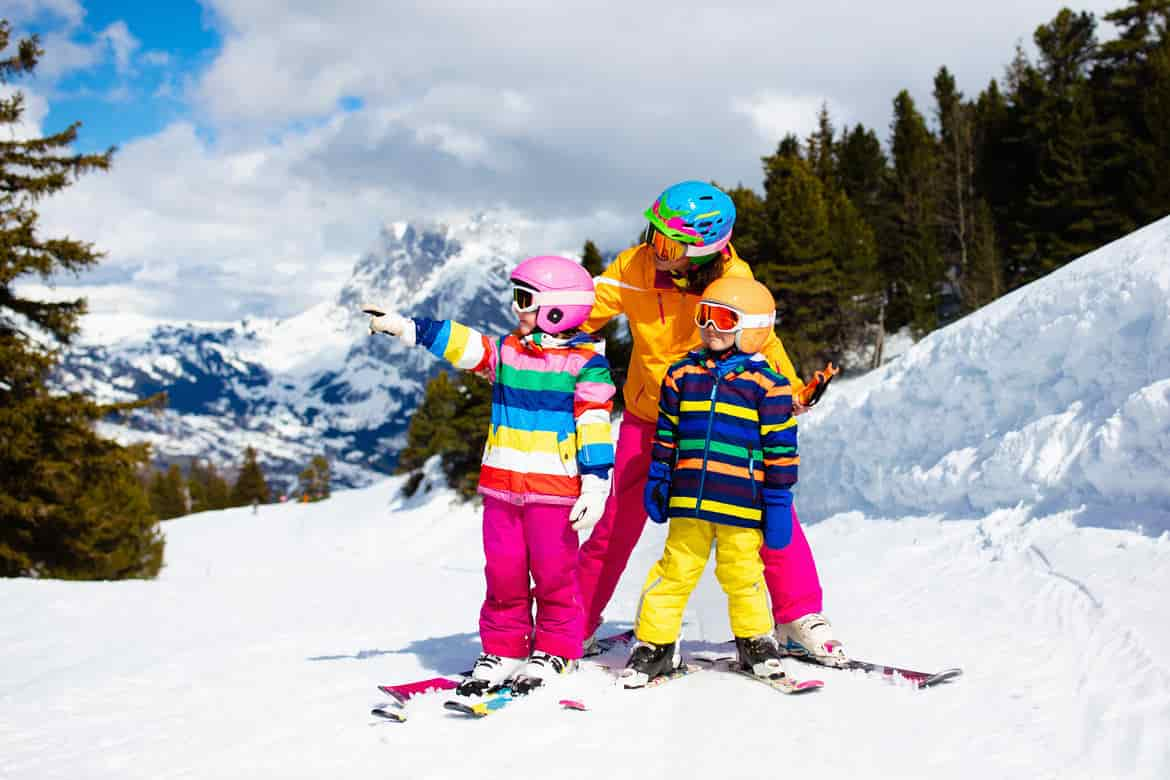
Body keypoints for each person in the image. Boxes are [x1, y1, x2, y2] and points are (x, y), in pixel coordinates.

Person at [577, 180, 847, 666]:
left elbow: (759, 339)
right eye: (651, 233)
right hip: (648, 415)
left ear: (703, 249)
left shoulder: (733, 280)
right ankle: (573, 622)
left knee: (766, 510)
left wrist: (789, 390)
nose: (652, 248)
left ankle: (798, 616)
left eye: (665, 242)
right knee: (614, 520)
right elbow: (580, 313)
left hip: (717, 419)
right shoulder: (634, 266)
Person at [363, 255, 616, 693]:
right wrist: (408, 328)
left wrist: (596, 484)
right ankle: (506, 647)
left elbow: (594, 424)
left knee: (555, 573)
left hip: (554, 493)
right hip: (502, 490)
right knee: (503, 572)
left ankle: (557, 648)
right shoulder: (509, 351)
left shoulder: (585, 364)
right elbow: (466, 345)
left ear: (558, 309)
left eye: (525, 298)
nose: (516, 308)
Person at [621, 277, 796, 686]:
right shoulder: (682, 375)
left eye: (722, 318)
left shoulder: (769, 384)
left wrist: (778, 499)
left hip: (742, 503)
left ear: (751, 327)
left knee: (743, 575)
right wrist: (660, 477)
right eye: (704, 316)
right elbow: (668, 433)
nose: (710, 327)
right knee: (673, 571)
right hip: (689, 500)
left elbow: (781, 447)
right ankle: (655, 646)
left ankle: (756, 642)